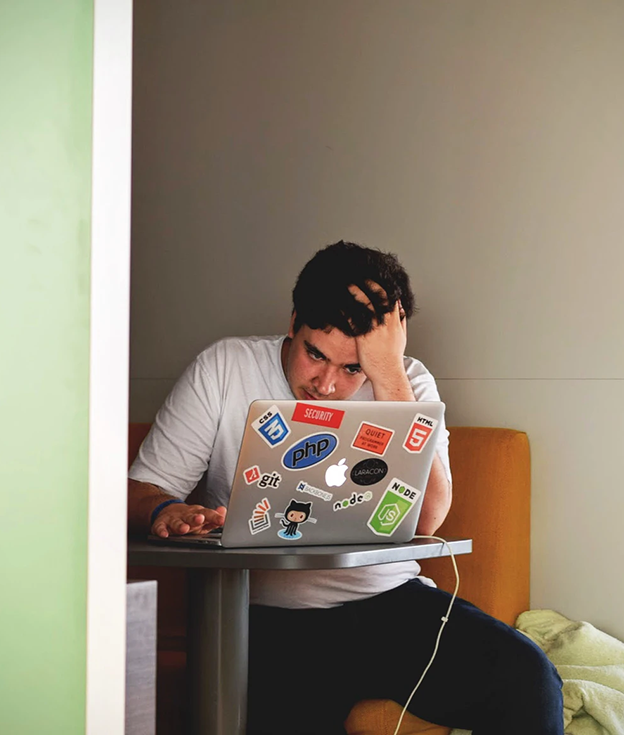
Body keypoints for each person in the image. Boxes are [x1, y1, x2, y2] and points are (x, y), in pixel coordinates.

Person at [126, 241, 563, 735]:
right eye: (315, 354)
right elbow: (139, 491)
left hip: (390, 603)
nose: (327, 384)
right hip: (267, 618)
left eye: (352, 367)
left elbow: (427, 519)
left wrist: (388, 375)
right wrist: (167, 509)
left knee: (528, 677)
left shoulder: (406, 381)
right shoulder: (224, 367)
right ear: (293, 322)